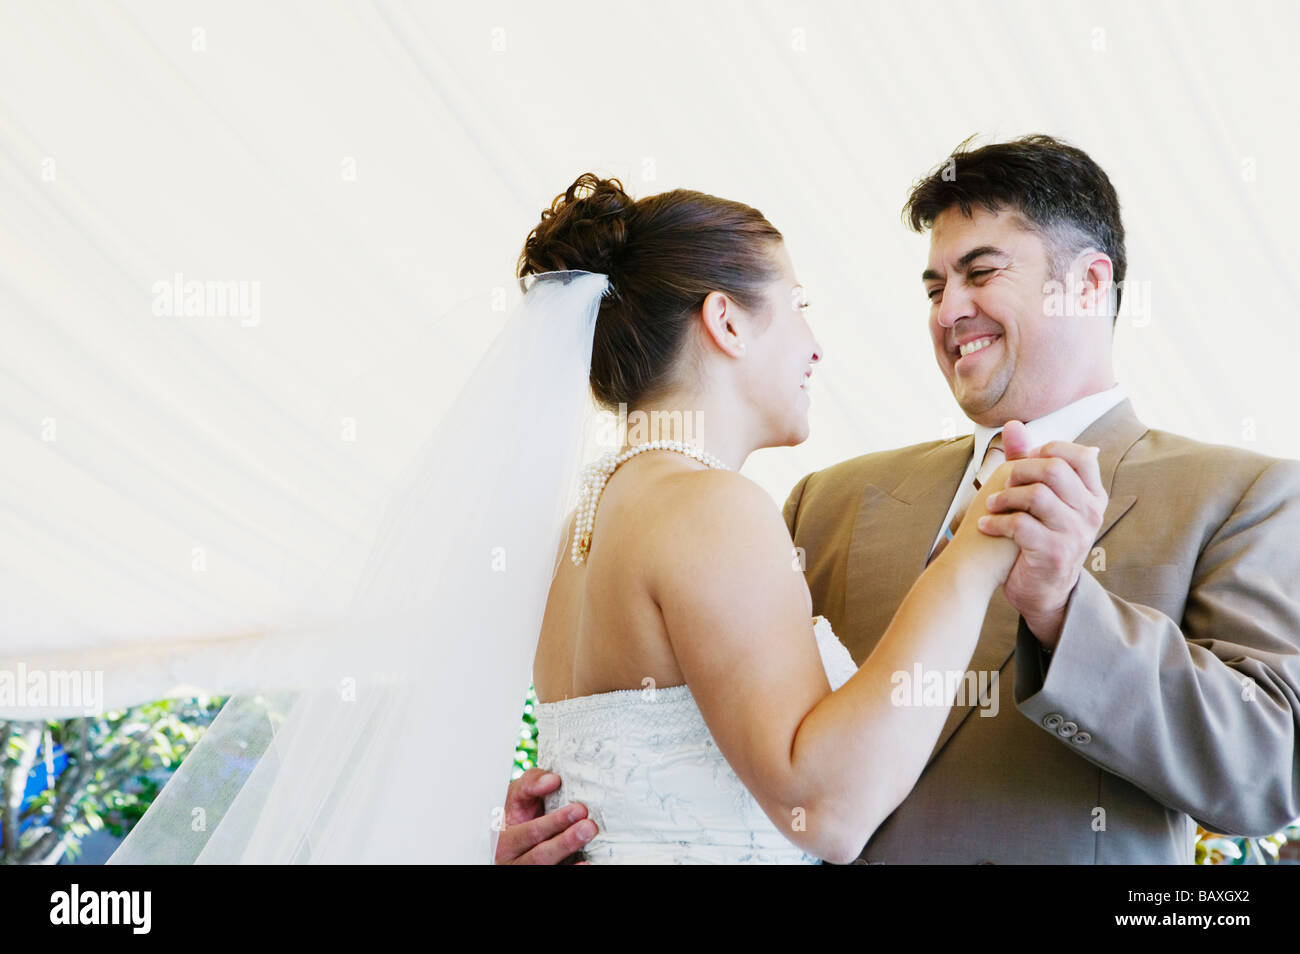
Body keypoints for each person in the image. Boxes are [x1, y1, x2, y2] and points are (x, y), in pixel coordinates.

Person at [497, 137, 1300, 865]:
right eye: (934, 285)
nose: (949, 310)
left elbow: (1268, 777)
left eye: (981, 273)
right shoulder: (825, 501)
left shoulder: (1240, 496)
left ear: (1089, 284)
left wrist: (1065, 614)